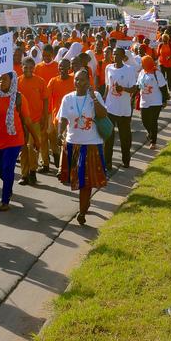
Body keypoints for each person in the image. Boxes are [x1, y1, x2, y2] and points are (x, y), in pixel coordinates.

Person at [57, 69, 109, 225]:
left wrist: (93, 97)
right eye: (77, 79)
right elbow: (63, 118)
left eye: (83, 80)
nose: (79, 83)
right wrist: (60, 133)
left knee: (85, 182)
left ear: (89, 81)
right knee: (77, 180)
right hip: (73, 144)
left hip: (91, 144)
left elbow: (102, 115)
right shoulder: (68, 98)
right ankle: (84, 205)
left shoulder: (95, 96)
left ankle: (82, 211)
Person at [0, 72, 36, 212]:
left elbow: (27, 121)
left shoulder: (19, 98)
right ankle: (8, 184)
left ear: (12, 81)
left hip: (14, 139)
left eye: (5, 79)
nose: (2, 82)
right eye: (0, 79)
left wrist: (36, 140)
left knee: (8, 167)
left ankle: (5, 200)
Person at [104, 47, 138, 170]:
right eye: (114, 54)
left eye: (118, 55)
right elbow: (108, 86)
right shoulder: (108, 68)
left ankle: (126, 160)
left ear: (123, 57)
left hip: (124, 110)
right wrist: (104, 99)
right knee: (109, 137)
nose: (115, 57)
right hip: (110, 108)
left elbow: (134, 89)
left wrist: (122, 89)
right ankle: (108, 163)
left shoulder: (129, 70)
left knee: (125, 137)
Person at [18, 57, 49, 184]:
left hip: (35, 120)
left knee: (32, 146)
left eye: (31, 68)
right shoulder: (18, 81)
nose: (28, 70)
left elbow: (46, 99)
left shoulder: (40, 81)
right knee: (23, 148)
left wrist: (45, 117)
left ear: (34, 68)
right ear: (22, 67)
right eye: (26, 67)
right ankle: (24, 175)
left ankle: (33, 171)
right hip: (21, 120)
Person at [46, 58, 75, 169]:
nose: (62, 68)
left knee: (65, 145)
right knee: (54, 143)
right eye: (60, 66)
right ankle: (58, 163)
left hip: (68, 120)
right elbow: (47, 98)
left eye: (65, 66)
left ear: (69, 68)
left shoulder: (73, 81)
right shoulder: (53, 81)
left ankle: (64, 168)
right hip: (55, 119)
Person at [138, 55, 167, 149]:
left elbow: (163, 88)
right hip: (144, 101)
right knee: (144, 120)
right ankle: (150, 133)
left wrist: (164, 100)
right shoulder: (142, 72)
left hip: (156, 101)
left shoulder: (157, 73)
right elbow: (138, 85)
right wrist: (133, 96)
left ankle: (153, 141)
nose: (141, 65)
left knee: (153, 121)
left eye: (143, 63)